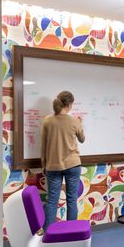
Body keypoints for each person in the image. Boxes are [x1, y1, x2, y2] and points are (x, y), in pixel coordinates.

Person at [40, 91, 85, 230]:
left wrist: (44, 164)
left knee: (52, 200)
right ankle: (71, 231)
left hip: (53, 166)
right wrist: (80, 124)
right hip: (73, 165)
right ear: (70, 104)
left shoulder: (47, 120)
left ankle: (49, 233)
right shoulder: (74, 121)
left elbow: (43, 146)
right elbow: (82, 139)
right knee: (71, 199)